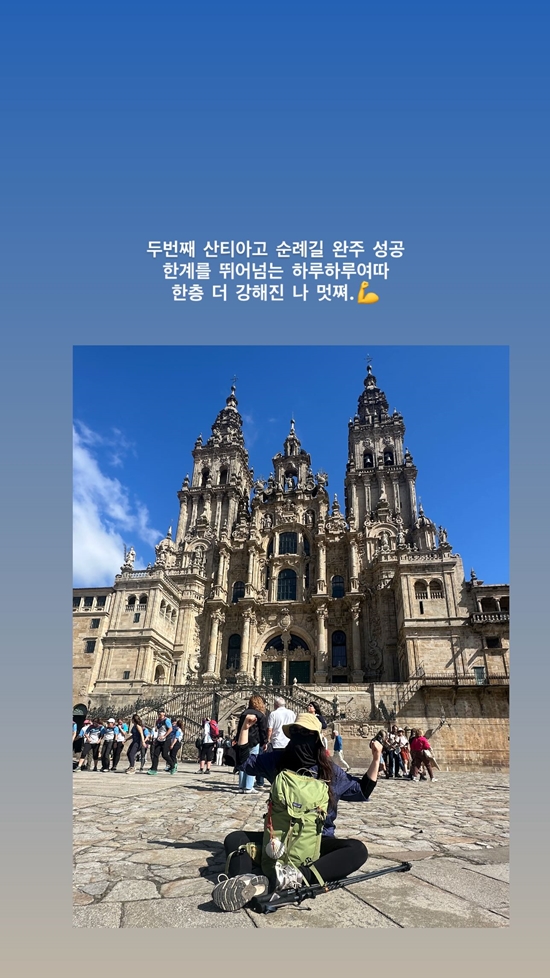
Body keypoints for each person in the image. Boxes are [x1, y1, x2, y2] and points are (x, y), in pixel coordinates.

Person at [212, 711, 382, 912]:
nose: (301, 737)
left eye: (305, 733)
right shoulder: (320, 768)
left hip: (307, 843)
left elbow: (244, 762)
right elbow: (362, 790)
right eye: (297, 732)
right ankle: (250, 881)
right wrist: (244, 729)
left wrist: (376, 758)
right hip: (282, 841)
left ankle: (289, 877)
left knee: (357, 850)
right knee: (234, 838)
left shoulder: (294, 764)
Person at [235, 695, 268, 794]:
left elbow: (239, 728)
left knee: (242, 761)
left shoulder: (244, 713)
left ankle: (241, 786)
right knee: (252, 762)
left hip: (243, 740)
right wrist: (264, 742)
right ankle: (249, 787)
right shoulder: (260, 715)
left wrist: (237, 738)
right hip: (254, 741)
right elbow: (263, 731)